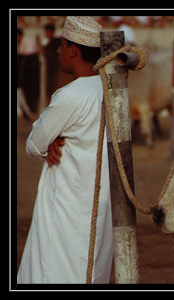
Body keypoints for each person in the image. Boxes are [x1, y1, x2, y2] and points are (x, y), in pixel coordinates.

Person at [17, 16, 113, 284]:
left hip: (67, 206)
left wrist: (49, 141)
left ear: (72, 50)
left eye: (61, 45)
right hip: (101, 204)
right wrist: (54, 139)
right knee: (92, 269)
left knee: (55, 270)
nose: (58, 51)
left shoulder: (69, 96)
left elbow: (34, 143)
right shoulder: (112, 92)